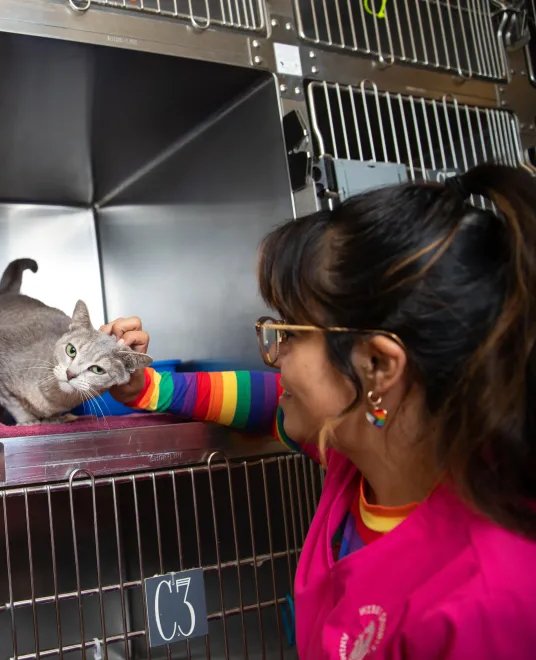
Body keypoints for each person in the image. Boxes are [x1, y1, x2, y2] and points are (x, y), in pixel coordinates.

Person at [100, 163, 536, 659]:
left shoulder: (489, 608)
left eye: (290, 332)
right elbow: (268, 402)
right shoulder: (364, 450)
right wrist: (150, 388)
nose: (276, 352)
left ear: (377, 365)